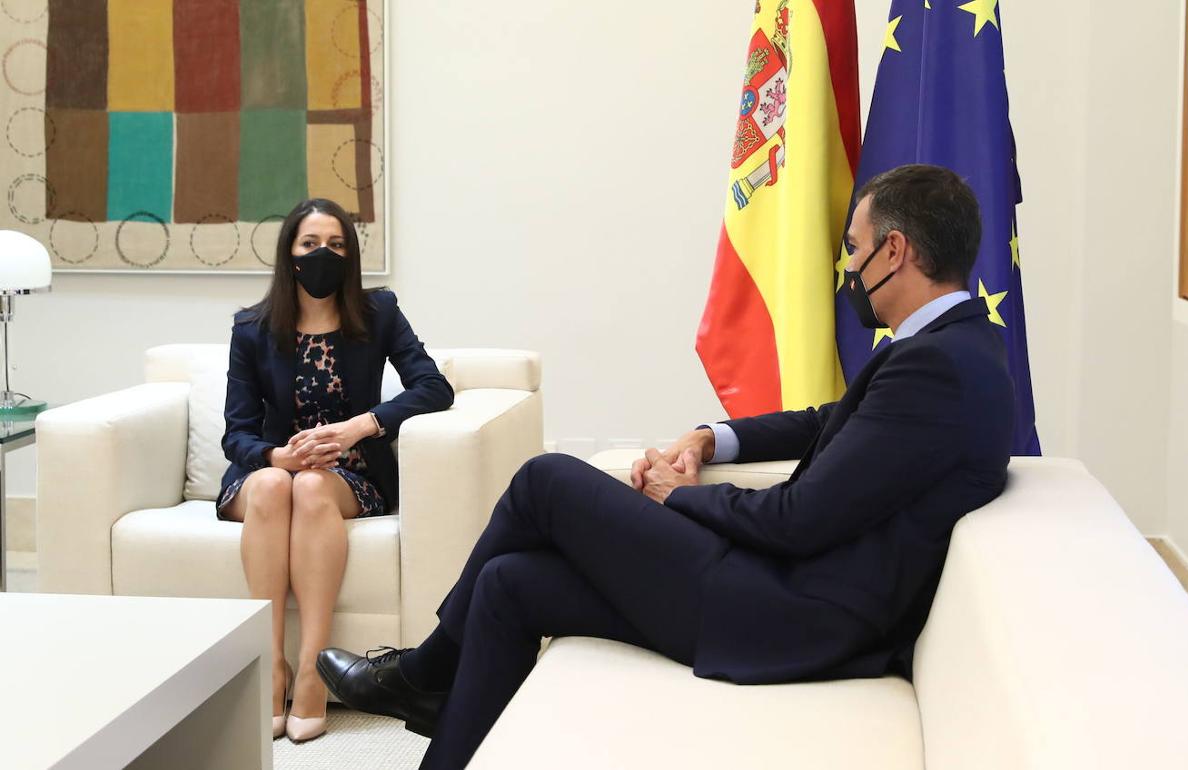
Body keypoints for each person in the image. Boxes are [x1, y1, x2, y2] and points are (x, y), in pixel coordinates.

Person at [316, 164, 1016, 768]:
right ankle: (433, 704)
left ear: (895, 251)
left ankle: (423, 671)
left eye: (854, 249)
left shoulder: (937, 369)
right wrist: (712, 438)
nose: (849, 268)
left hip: (789, 614)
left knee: (544, 481)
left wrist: (678, 495)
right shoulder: (951, 351)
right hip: (784, 591)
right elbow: (824, 422)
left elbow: (801, 520)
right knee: (510, 584)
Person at [217, 198, 454, 743]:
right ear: (290, 253)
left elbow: (433, 387)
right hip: (270, 471)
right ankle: (269, 665)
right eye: (310, 244)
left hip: (348, 475)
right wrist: (277, 457)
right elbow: (237, 433)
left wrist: (360, 427)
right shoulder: (251, 328)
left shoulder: (379, 312)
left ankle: (311, 670)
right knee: (276, 485)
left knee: (312, 488)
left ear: (350, 256)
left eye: (336, 245)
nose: (323, 254)